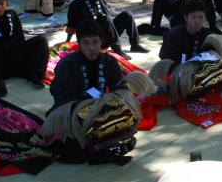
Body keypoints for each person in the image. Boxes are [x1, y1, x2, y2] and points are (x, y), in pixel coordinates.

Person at [43, 19, 155, 164]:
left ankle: (106, 145)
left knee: (126, 115)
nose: (91, 48)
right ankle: (105, 146)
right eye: (86, 43)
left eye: (95, 42)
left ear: (101, 41)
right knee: (69, 144)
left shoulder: (109, 61)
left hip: (103, 106)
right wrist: (89, 107)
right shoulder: (67, 64)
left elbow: (119, 88)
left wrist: (115, 100)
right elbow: (62, 98)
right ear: (79, 43)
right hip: (76, 110)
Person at [65, 0, 148, 60]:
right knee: (105, 18)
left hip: (107, 35)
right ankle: (117, 48)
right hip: (92, 38)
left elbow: (108, 16)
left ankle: (135, 44)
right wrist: (67, 41)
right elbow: (71, 24)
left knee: (127, 14)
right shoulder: (75, 4)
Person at [159, 0, 213, 65]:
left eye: (201, 17)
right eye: (193, 17)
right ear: (186, 18)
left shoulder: (207, 34)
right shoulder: (174, 34)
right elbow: (168, 61)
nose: (197, 21)